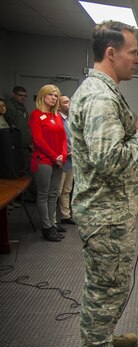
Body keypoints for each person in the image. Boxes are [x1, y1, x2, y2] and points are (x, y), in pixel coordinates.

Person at [69, 21, 138, 347]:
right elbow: (109, 160)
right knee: (105, 289)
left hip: (110, 210)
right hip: (104, 213)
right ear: (111, 52)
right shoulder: (101, 97)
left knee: (111, 285)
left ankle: (103, 341)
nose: (137, 58)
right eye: (133, 51)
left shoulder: (103, 91)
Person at [29, 84, 68, 242]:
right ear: (42, 96)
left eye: (56, 95)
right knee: (43, 195)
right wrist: (54, 156)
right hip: (43, 160)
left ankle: (53, 224)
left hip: (58, 160)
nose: (54, 98)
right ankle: (46, 227)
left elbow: (63, 139)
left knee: (54, 194)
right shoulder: (36, 115)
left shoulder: (57, 116)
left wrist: (63, 156)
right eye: (51, 95)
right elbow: (38, 141)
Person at [57, 95, 76, 225]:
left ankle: (65, 216)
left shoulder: (70, 119)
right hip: (60, 160)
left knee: (67, 190)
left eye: (69, 101)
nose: (69, 104)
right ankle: (52, 222)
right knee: (57, 191)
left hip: (71, 160)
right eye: (66, 102)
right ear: (59, 106)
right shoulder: (57, 119)